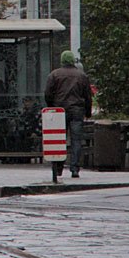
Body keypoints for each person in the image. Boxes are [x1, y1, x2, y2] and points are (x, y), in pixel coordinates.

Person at [45, 50, 93, 178]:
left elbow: (48, 94)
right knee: (76, 140)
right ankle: (75, 168)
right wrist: (88, 111)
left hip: (59, 111)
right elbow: (88, 96)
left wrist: (52, 107)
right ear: (73, 61)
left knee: (59, 139)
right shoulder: (82, 76)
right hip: (77, 110)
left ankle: (58, 167)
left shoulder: (54, 75)